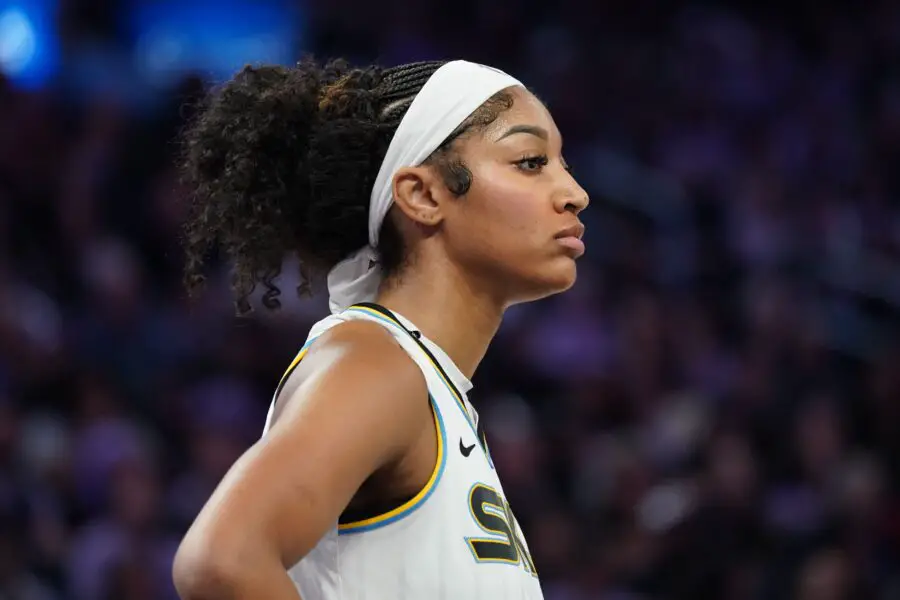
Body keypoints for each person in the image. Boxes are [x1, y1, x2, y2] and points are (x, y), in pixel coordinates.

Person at [171, 57, 589, 600]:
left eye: (562, 163)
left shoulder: (432, 391)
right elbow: (223, 562)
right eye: (531, 162)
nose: (574, 192)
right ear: (423, 195)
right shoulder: (378, 362)